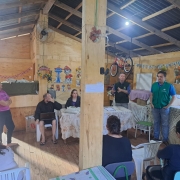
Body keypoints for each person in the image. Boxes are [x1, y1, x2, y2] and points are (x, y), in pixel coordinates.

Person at [102, 115, 132, 180]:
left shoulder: (103, 140)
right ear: (120, 126)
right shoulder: (127, 141)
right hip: (125, 176)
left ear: (107, 127)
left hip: (108, 176)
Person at [150, 71, 176, 146]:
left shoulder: (169, 86)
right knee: (156, 122)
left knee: (165, 124)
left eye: (161, 76)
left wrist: (168, 105)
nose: (159, 78)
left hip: (164, 108)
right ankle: (156, 137)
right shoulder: (154, 85)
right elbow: (151, 94)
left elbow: (174, 96)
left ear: (165, 77)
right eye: (158, 76)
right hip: (155, 107)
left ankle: (165, 139)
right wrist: (151, 103)